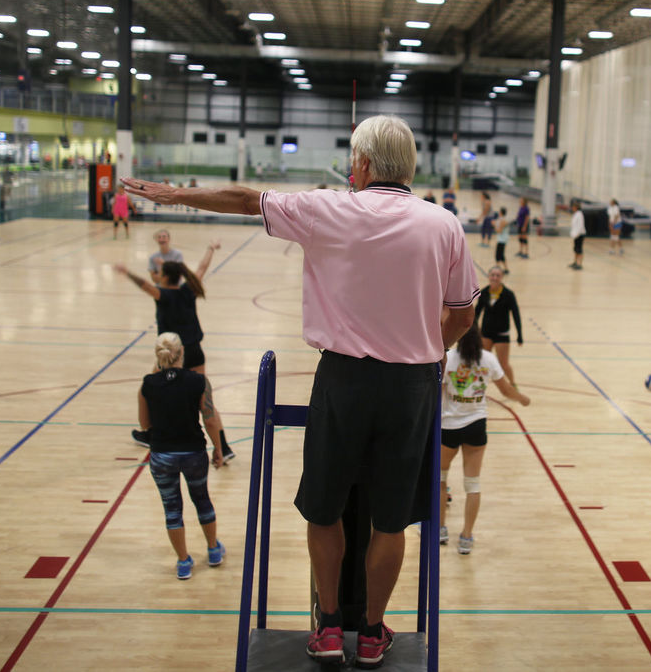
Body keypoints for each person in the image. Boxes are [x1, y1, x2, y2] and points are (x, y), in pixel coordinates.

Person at [120, 114, 478, 668]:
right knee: (390, 520)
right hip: (412, 387)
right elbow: (463, 314)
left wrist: (175, 194)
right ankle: (375, 632)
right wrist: (427, 350)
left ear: (360, 164)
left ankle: (331, 628)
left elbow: (244, 199)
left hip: (343, 380)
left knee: (324, 507)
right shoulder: (444, 224)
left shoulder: (327, 208)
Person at [114, 242, 236, 463]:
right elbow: (201, 268)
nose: (156, 276)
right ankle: (224, 446)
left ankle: (151, 432)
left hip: (172, 352)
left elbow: (143, 284)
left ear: (166, 277)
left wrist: (126, 273)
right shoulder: (188, 290)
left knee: (148, 389)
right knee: (205, 400)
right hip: (195, 352)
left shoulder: (163, 295)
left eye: (159, 273)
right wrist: (210, 248)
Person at [139, 332, 225, 580]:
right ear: (182, 354)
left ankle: (183, 562)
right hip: (193, 453)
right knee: (202, 500)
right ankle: (213, 551)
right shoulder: (199, 382)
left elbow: (144, 424)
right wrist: (218, 448)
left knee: (172, 509)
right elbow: (210, 419)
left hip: (162, 455)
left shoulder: (147, 384)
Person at [439, 324, 530, 554]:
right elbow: (507, 391)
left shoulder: (448, 358)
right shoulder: (488, 359)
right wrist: (522, 399)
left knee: (440, 480)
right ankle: (466, 537)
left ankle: (440, 530)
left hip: (448, 426)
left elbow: (436, 392)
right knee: (473, 484)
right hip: (476, 427)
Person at [474, 265, 522, 387]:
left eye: (498, 275)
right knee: (482, 362)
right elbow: (477, 313)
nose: (495, 278)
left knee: (503, 363)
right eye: (492, 275)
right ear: (488, 276)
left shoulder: (508, 294)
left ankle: (513, 385)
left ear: (502, 277)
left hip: (502, 334)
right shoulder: (484, 292)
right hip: (486, 333)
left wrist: (519, 335)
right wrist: (473, 332)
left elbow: (516, 315)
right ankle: (479, 387)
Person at [568, 199, 586, 270]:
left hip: (580, 234)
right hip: (576, 235)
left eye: (573, 207)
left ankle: (579, 264)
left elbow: (580, 226)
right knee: (576, 249)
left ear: (576, 207)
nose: (572, 208)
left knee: (579, 249)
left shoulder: (580, 214)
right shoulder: (576, 214)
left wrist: (577, 234)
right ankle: (575, 262)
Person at [493, 207, 510, 274]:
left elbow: (499, 231)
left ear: (501, 212)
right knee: (501, 255)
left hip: (502, 240)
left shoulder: (503, 220)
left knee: (498, 254)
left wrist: (494, 226)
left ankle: (498, 268)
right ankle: (505, 268)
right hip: (501, 239)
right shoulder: (501, 220)